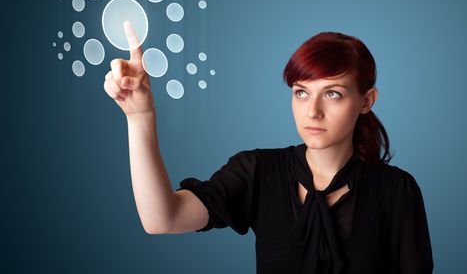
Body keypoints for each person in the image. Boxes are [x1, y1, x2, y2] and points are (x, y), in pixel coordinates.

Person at [103, 21, 434, 274]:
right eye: (301, 92)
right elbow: (163, 219)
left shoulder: (397, 190)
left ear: (366, 101)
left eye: (333, 93)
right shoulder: (259, 171)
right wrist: (140, 116)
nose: (313, 110)